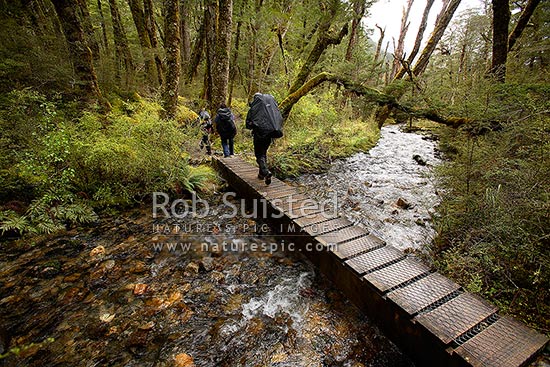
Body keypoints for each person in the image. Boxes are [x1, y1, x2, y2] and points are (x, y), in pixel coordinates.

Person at [245, 93, 284, 185]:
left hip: (259, 135)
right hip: (269, 135)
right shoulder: (270, 109)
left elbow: (248, 125)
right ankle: (261, 174)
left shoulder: (254, 109)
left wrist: (253, 125)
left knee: (259, 155)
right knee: (263, 153)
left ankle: (266, 172)